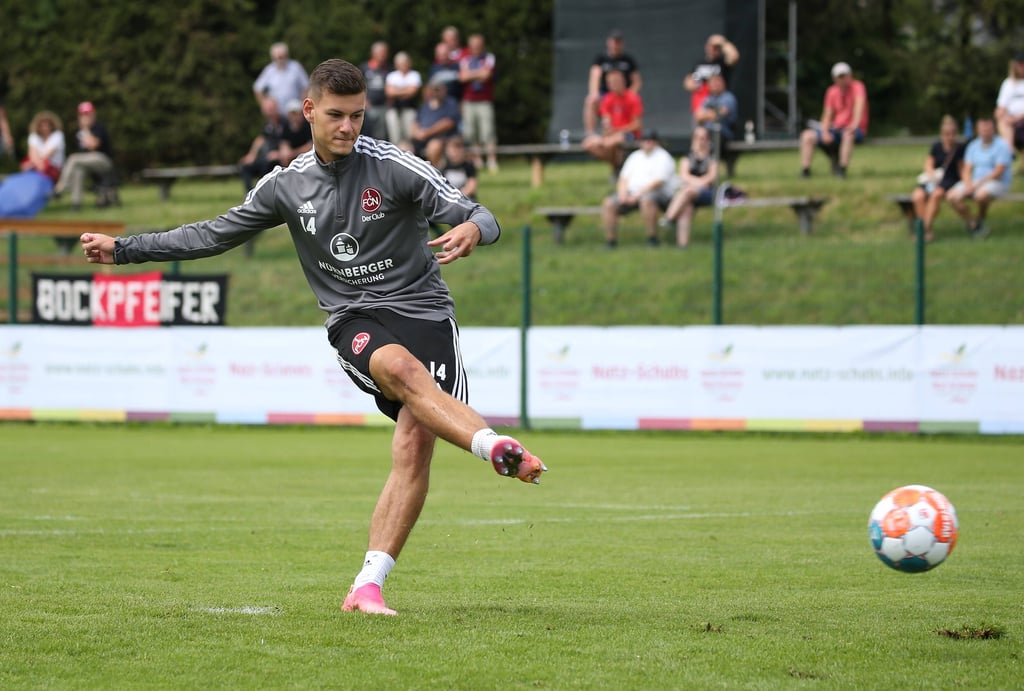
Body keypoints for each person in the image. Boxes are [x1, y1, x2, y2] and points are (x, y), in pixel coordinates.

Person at [79, 58, 546, 617]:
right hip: (354, 319)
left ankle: (367, 586)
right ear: (308, 111)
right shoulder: (286, 184)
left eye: (357, 116)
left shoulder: (396, 166)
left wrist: (472, 227)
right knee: (399, 371)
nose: (348, 127)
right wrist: (125, 249)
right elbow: (211, 234)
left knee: (415, 443)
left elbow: (477, 214)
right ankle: (493, 446)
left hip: (425, 313)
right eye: (335, 116)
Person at [600, 129, 677, 249]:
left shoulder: (663, 157)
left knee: (647, 200)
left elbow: (658, 182)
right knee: (609, 203)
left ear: (656, 142)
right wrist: (622, 194)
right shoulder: (634, 157)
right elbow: (623, 178)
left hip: (657, 195)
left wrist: (637, 196)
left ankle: (652, 239)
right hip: (631, 194)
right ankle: (611, 242)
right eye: (645, 140)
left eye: (651, 140)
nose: (647, 143)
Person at [946, 116, 1013, 239]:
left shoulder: (1002, 146)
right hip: (975, 181)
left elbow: (998, 172)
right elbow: (966, 169)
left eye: (988, 129)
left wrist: (976, 185)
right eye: (983, 129)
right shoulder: (973, 146)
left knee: (980, 195)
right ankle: (973, 223)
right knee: (951, 196)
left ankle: (980, 220)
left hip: (996, 182)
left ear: (993, 129)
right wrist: (967, 184)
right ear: (978, 130)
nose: (986, 132)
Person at [799, 61, 869, 179]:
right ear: (834, 78)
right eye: (839, 77)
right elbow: (827, 115)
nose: (843, 79)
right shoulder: (832, 92)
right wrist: (825, 132)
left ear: (850, 75)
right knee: (807, 135)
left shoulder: (858, 87)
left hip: (854, 129)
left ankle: (841, 171)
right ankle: (805, 171)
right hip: (836, 128)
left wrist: (854, 124)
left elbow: (859, 106)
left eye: (844, 76)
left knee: (848, 134)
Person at [910, 115, 964, 242]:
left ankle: (923, 230)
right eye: (947, 134)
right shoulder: (936, 146)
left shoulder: (960, 148)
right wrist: (931, 175)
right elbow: (929, 164)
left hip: (950, 180)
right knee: (917, 196)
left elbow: (962, 169)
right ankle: (926, 231)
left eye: (952, 134)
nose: (950, 137)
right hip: (934, 180)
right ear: (942, 134)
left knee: (936, 195)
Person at [54, 101, 116, 211]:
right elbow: (82, 152)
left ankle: (61, 188)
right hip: (87, 162)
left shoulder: (99, 128)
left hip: (103, 161)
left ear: (93, 114)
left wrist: (86, 129)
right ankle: (76, 203)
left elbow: (93, 146)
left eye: (88, 114)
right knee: (78, 169)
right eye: (83, 115)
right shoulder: (78, 132)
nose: (85, 117)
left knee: (73, 158)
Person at [664, 125, 718, 249]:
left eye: (703, 138)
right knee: (686, 208)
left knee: (687, 190)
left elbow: (711, 178)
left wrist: (695, 183)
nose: (701, 140)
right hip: (690, 193)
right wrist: (698, 182)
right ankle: (682, 245)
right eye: (698, 138)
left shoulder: (712, 157)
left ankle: (669, 217)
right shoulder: (688, 157)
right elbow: (683, 175)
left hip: (708, 193)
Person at [582, 69, 643, 179]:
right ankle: (617, 166)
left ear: (623, 81)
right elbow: (607, 122)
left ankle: (616, 168)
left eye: (616, 81)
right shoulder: (608, 99)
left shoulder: (633, 98)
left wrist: (617, 130)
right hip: (612, 136)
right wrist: (607, 129)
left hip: (630, 135)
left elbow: (637, 125)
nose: (613, 85)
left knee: (614, 140)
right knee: (588, 144)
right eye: (610, 82)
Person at [583, 29, 642, 137]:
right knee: (591, 101)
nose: (616, 44)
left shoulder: (628, 60)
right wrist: (594, 93)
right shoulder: (601, 58)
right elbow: (594, 76)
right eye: (614, 41)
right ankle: (591, 135)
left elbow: (637, 81)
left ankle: (621, 134)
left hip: (624, 95)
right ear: (608, 42)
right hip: (606, 96)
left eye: (618, 41)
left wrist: (629, 96)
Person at [459, 33, 498, 173]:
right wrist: (478, 73)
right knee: (471, 132)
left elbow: (487, 75)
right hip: (469, 101)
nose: (476, 48)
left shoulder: (489, 57)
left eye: (478, 45)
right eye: (473, 46)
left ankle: (492, 160)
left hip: (485, 100)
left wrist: (471, 73)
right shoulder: (465, 59)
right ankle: (477, 160)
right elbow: (463, 77)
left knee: (488, 131)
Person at [683, 34, 740, 115]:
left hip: (718, 102)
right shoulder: (699, 64)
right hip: (700, 105)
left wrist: (723, 42)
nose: (713, 49)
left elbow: (734, 57)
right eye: (711, 46)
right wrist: (692, 85)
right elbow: (687, 82)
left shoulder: (722, 63)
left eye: (716, 47)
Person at [238, 97, 286, 191]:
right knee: (245, 166)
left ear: (276, 108)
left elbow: (287, 143)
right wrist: (252, 155)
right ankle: (250, 194)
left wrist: (279, 154)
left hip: (280, 159)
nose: (269, 112)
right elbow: (260, 139)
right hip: (266, 158)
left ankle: (262, 193)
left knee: (267, 164)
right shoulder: (267, 124)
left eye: (271, 109)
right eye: (267, 110)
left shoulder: (285, 123)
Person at [410, 80, 461, 169]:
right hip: (420, 138)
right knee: (404, 147)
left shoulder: (451, 103)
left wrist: (427, 133)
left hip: (442, 138)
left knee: (434, 146)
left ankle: (433, 175)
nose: (436, 92)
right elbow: (416, 121)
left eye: (438, 89)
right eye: (433, 89)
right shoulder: (425, 105)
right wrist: (416, 132)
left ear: (444, 90)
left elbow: (448, 123)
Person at [253, 42, 310, 118]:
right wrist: (265, 104)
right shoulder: (269, 70)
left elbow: (306, 86)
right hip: (277, 115)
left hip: (295, 113)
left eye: (282, 56)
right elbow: (257, 88)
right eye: (278, 57)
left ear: (286, 55)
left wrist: (303, 105)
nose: (280, 59)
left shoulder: (295, 67)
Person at [693, 73, 738, 167]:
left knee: (709, 138)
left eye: (717, 82)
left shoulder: (728, 97)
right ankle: (696, 167)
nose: (715, 85)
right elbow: (697, 116)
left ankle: (709, 170)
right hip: (707, 133)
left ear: (723, 83)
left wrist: (707, 114)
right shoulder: (708, 99)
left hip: (723, 133)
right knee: (699, 135)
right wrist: (711, 114)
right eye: (712, 83)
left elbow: (719, 115)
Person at [384, 51, 422, 147]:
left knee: (409, 136)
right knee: (394, 136)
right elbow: (389, 92)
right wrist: (406, 89)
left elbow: (412, 92)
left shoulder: (414, 75)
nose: (403, 65)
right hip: (394, 109)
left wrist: (396, 90)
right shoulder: (392, 75)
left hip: (409, 109)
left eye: (405, 62)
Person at [994, 51, 1024, 171]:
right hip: (1010, 121)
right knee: (1002, 122)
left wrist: (1017, 118)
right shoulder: (1008, 83)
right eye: (1020, 63)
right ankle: (1010, 151)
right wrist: (1001, 114)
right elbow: (1001, 107)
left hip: (1020, 119)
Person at [19, 110, 65, 183]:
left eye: (47, 125)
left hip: (53, 167)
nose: (45, 128)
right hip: (38, 165)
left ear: (52, 126)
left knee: (39, 166)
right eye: (42, 126)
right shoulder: (34, 137)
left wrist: (35, 164)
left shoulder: (58, 136)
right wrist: (37, 164)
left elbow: (48, 155)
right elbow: (32, 154)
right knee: (26, 164)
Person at [360, 41, 391, 140]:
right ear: (373, 53)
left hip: (385, 106)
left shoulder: (390, 69)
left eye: (384, 53)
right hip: (368, 106)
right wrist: (363, 101)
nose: (382, 56)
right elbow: (358, 86)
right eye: (380, 53)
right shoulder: (364, 68)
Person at [440, 134, 478, 201]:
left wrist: (458, 196)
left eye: (457, 150)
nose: (454, 154)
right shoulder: (444, 167)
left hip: (466, 199)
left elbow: (471, 186)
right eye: (451, 150)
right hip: (449, 199)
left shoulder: (468, 166)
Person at [278, 99, 313, 166]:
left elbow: (310, 146)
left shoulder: (308, 126)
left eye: (296, 114)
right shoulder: (286, 127)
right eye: (292, 114)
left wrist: (292, 153)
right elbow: (283, 143)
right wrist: (285, 153)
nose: (294, 117)